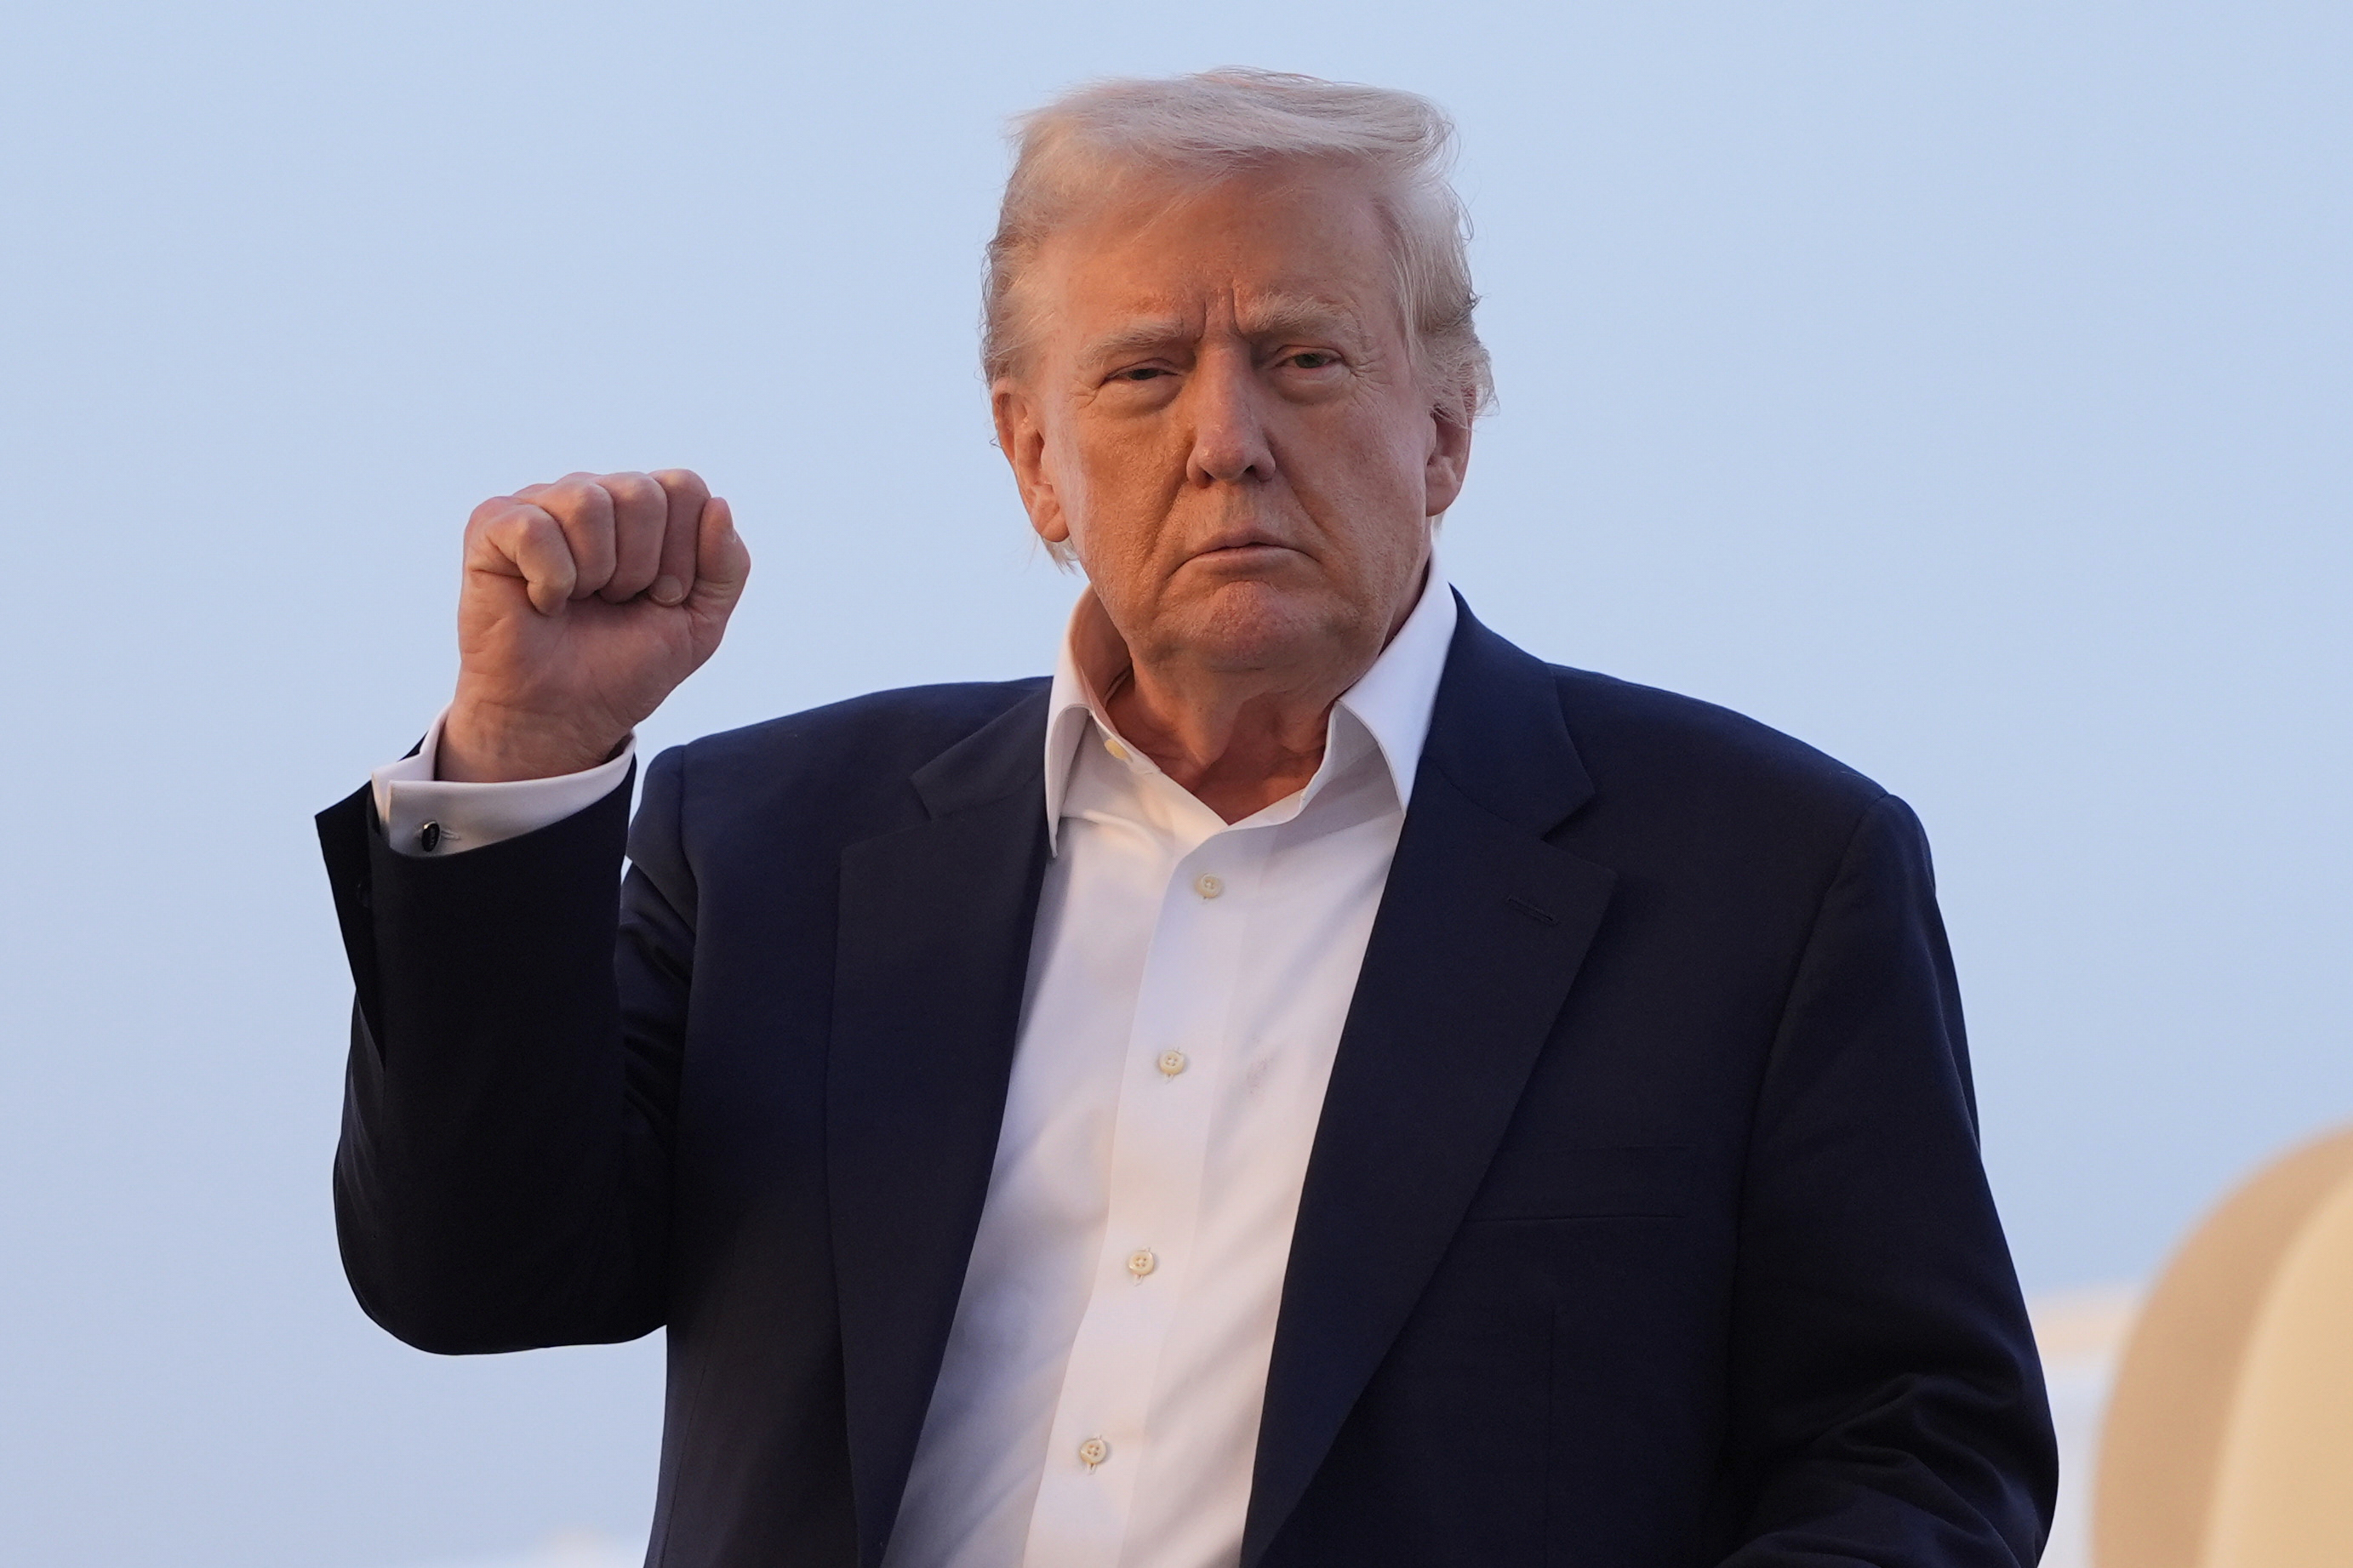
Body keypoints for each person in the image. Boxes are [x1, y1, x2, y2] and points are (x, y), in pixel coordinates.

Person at [318, 69, 2056, 1568]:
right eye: (1143, 374)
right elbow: (473, 1275)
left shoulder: (1763, 876)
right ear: (1033, 460)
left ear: (1445, 426)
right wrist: (523, 755)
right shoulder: (772, 842)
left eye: (1304, 357)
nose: (1227, 438)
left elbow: (1919, 1444)